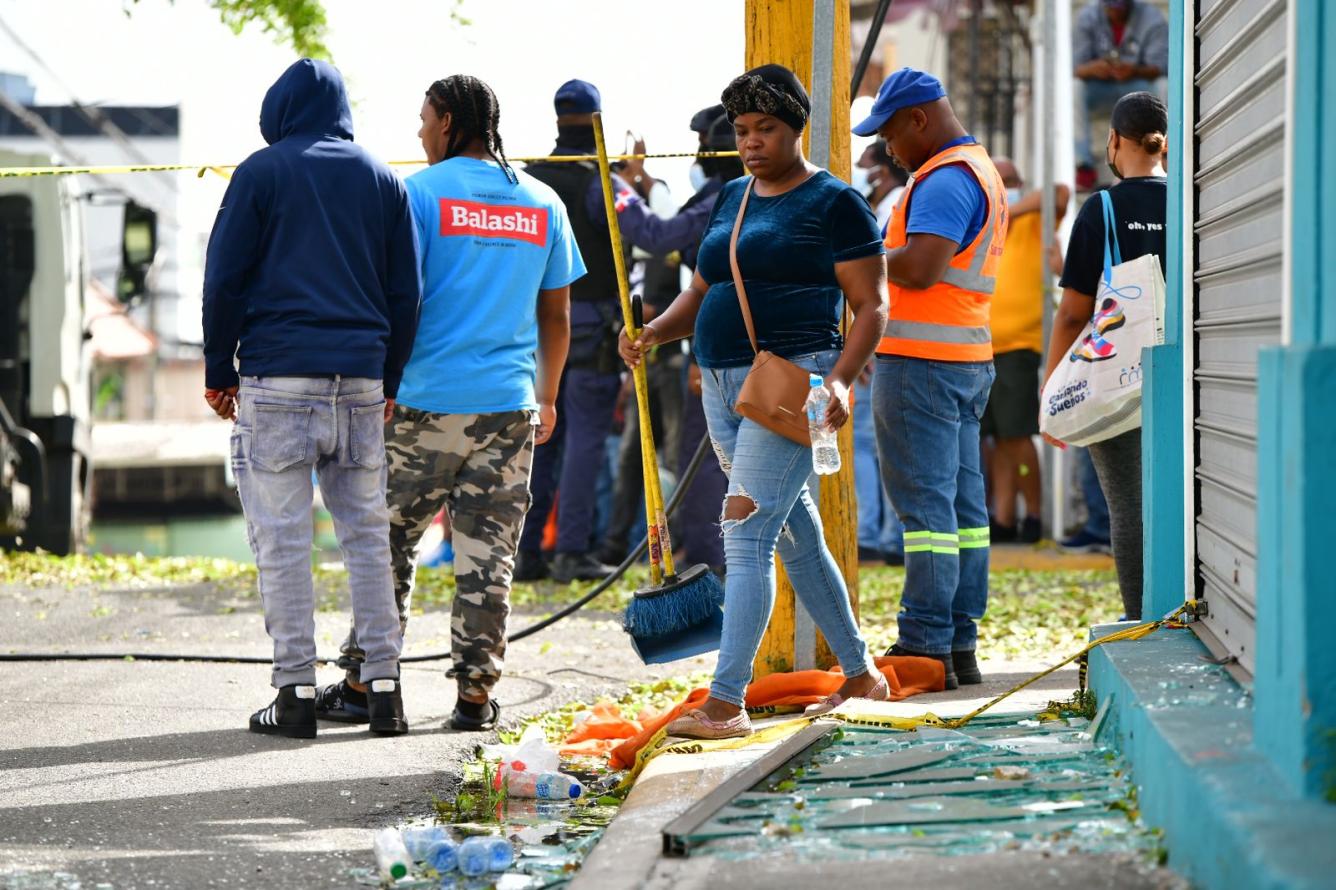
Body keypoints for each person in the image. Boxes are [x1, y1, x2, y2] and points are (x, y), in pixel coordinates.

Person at [621, 65, 891, 740]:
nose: (750, 142)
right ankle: (861, 676)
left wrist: (841, 379)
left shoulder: (835, 202)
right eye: (742, 130)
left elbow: (872, 305)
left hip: (790, 385)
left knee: (744, 531)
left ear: (796, 127)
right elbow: (704, 286)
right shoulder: (733, 196)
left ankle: (725, 703)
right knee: (793, 534)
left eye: (765, 128)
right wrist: (654, 332)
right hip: (718, 382)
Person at [314, 75, 583, 733]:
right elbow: (557, 313)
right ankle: (474, 700)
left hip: (420, 408)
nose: (419, 130)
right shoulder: (540, 201)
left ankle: (364, 682)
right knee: (487, 561)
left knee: (386, 547)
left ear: (450, 123)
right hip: (508, 410)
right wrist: (546, 396)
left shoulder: (417, 195)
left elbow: (388, 299)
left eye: (424, 117)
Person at [202, 59, 421, 739]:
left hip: (278, 382)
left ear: (281, 110)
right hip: (358, 385)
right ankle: (383, 688)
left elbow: (224, 279)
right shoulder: (383, 177)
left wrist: (219, 367)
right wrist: (390, 377)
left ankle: (294, 694)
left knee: (283, 542)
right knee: (366, 540)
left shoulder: (262, 172)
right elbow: (405, 292)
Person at [518, 79, 722, 584]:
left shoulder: (528, 180)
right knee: (585, 442)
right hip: (589, 334)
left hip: (534, 335)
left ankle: (526, 556)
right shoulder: (601, 183)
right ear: (597, 122)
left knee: (539, 440)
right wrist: (718, 194)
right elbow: (660, 235)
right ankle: (571, 552)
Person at [854, 68, 1009, 690]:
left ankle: (923, 644)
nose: (887, 147)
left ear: (919, 118)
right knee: (962, 514)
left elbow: (919, 268)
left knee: (926, 515)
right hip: (964, 363)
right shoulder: (979, 171)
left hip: (921, 366)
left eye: (890, 132)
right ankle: (957, 645)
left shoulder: (945, 179)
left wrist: (850, 260)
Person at [1044, 92, 1167, 621]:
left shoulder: (1103, 208)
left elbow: (1073, 313)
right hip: (1185, 372)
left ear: (1114, 142)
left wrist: (1051, 388)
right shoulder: (1190, 200)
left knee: (1128, 507)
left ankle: (1141, 616)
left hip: (1120, 377)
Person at [983, 157, 1069, 544]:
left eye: (1011, 181)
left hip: (1019, 346)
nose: (1006, 187)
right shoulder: (984, 226)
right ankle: (1004, 517)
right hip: (983, 347)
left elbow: (1061, 193)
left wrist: (1009, 207)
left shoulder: (1033, 221)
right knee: (999, 438)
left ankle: (1033, 514)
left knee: (1018, 436)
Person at [1073, 0, 1168, 191]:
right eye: (1110, 7)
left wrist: (1134, 70)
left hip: (1137, 84)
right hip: (1100, 89)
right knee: (1074, 87)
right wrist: (1093, 68)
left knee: (1165, 85)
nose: (1115, 12)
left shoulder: (1152, 18)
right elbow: (1074, 67)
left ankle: (1164, 153)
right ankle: (1084, 165)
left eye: (1120, 7)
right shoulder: (1087, 16)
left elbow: (1162, 66)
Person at [855, 139, 908, 234]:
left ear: (882, 172)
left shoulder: (895, 203)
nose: (855, 174)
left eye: (861, 167)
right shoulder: (885, 202)